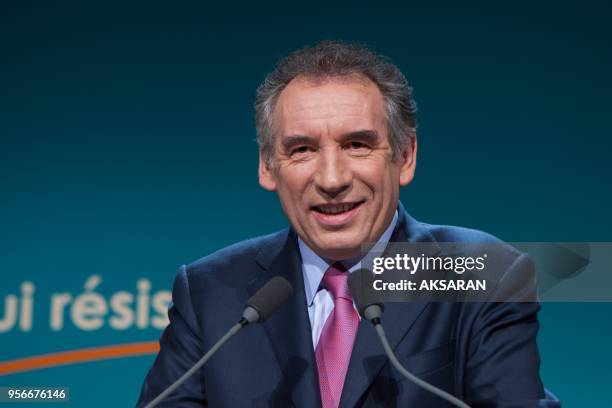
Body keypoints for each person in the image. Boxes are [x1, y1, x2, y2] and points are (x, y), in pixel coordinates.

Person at [137, 40, 559, 407]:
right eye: (302, 149)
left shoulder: (483, 272)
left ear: (405, 156)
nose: (332, 179)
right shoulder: (210, 292)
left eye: (357, 144)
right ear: (268, 167)